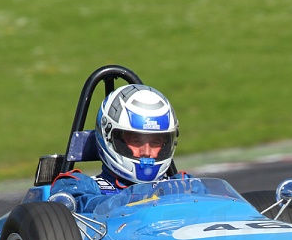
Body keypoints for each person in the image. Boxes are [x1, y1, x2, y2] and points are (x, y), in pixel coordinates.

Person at [49, 84, 190, 213]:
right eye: (136, 140)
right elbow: (75, 209)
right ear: (110, 137)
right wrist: (144, 196)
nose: (146, 152)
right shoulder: (77, 186)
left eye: (156, 142)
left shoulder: (182, 185)